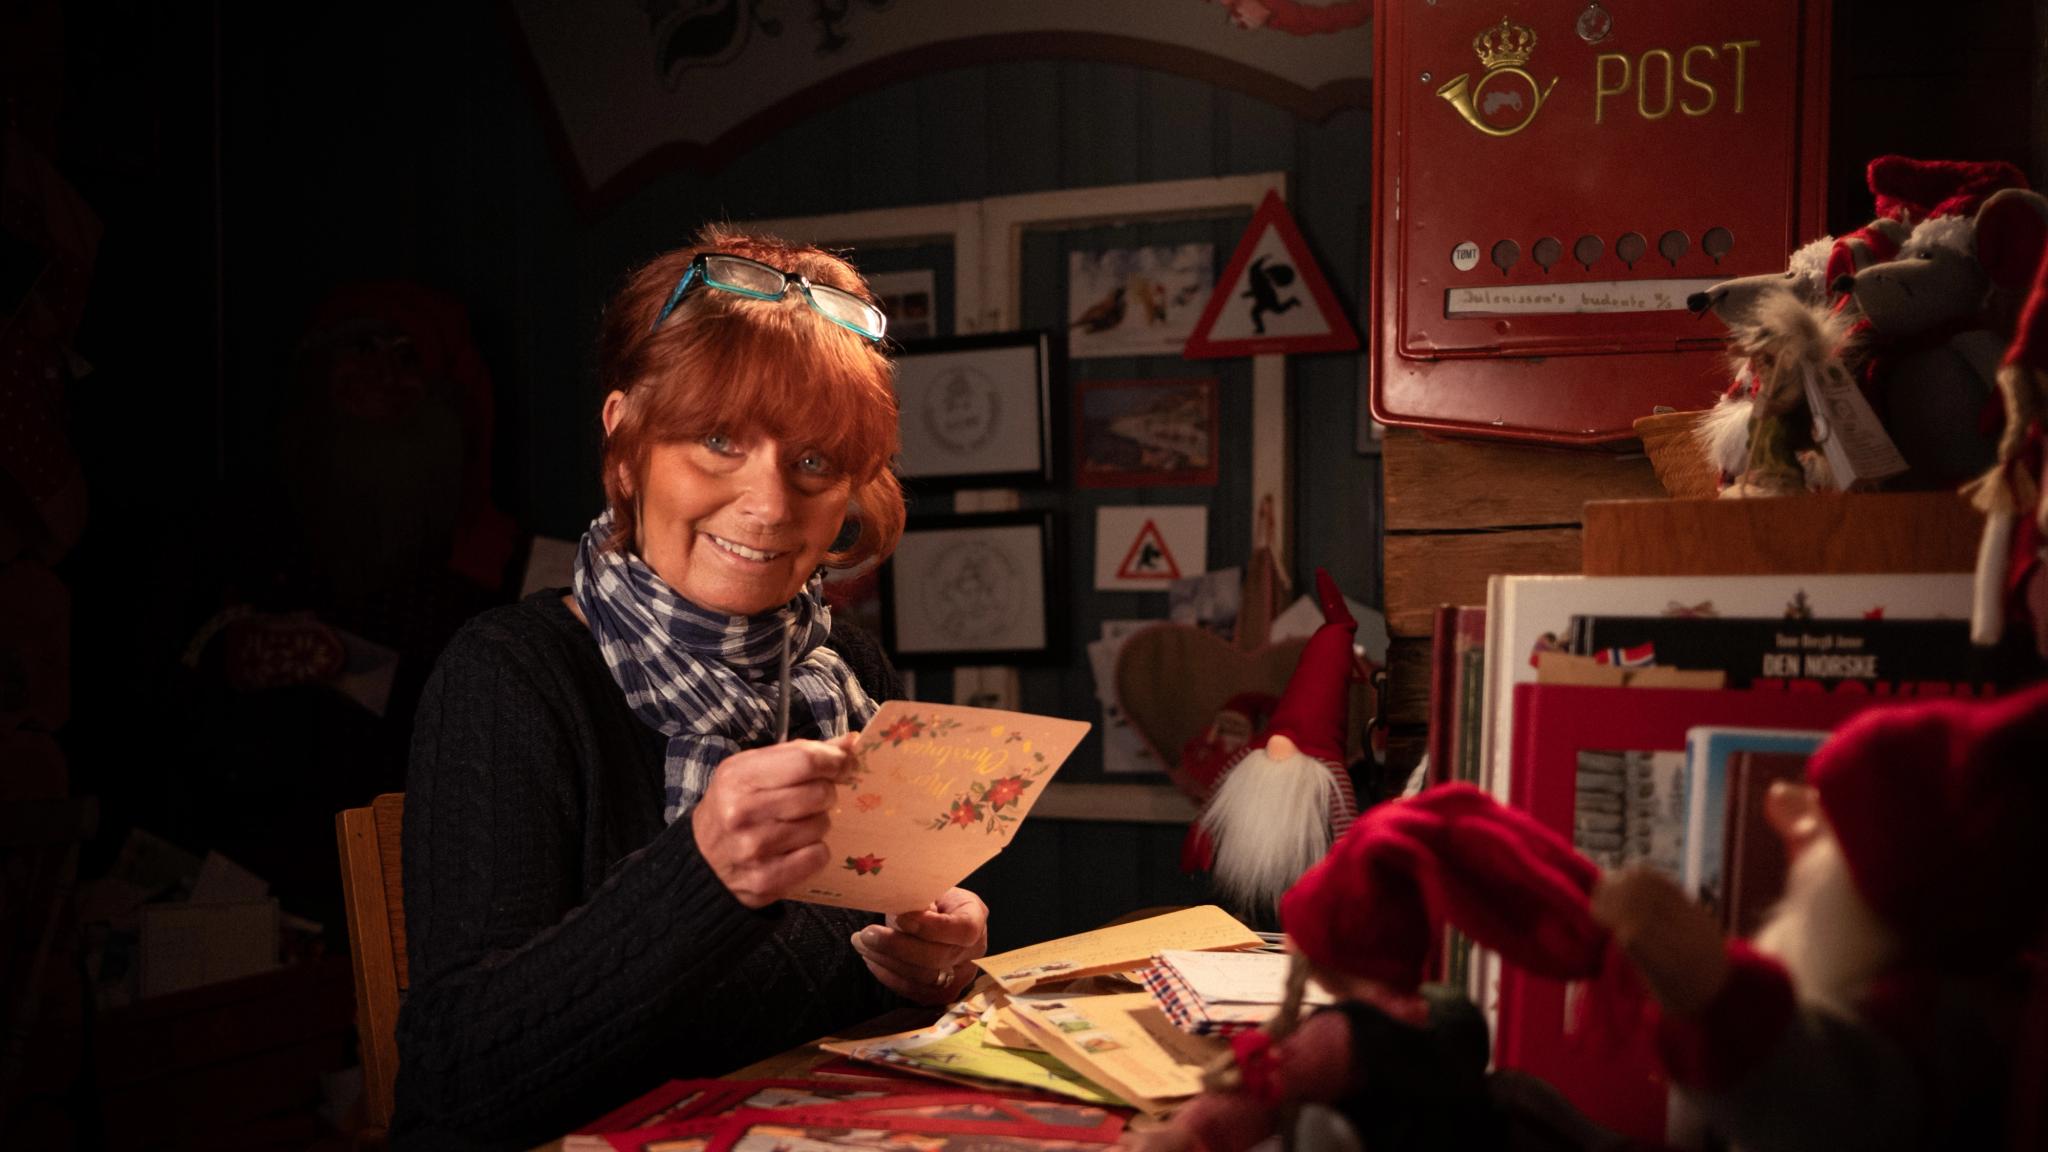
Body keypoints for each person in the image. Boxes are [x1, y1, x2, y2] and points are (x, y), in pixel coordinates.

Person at [392, 227, 990, 1149]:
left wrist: (927, 962)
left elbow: (820, 1027)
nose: (770, 505)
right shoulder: (512, 677)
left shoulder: (852, 673)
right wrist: (703, 873)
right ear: (627, 446)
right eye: (718, 441)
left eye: (815, 462)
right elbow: (453, 1081)